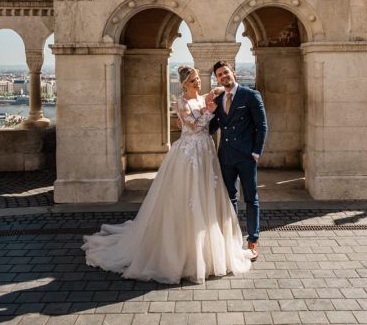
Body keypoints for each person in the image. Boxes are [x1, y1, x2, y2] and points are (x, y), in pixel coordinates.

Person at [82, 66, 253, 284]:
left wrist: (215, 93)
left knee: (207, 195)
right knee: (186, 197)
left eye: (198, 78)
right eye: (193, 80)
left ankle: (209, 249)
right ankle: (183, 252)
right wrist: (209, 111)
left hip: (206, 152)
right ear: (184, 84)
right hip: (188, 154)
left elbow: (222, 94)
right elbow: (192, 126)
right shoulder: (180, 103)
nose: (198, 82)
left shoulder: (204, 98)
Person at [209, 60, 268, 261]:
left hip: (246, 157)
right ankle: (233, 239)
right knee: (230, 199)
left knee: (251, 198)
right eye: (219, 74)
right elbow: (212, 127)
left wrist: (256, 153)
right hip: (225, 157)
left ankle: (253, 239)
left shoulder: (250, 95)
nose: (223, 76)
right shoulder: (218, 100)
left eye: (226, 72)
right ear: (217, 78)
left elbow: (262, 126)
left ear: (233, 72)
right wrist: (196, 119)